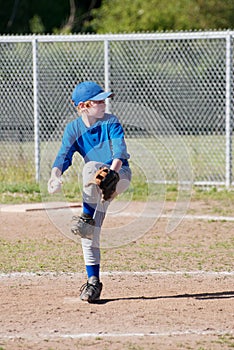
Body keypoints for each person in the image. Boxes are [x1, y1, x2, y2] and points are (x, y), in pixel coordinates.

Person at [48, 81, 131, 303]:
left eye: (104, 99)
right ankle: (93, 283)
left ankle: (85, 215)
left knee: (90, 167)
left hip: (119, 174)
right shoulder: (73, 129)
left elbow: (119, 150)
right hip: (97, 185)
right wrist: (55, 175)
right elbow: (63, 156)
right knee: (88, 234)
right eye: (99, 101)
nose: (104, 103)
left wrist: (112, 174)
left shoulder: (110, 121)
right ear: (84, 106)